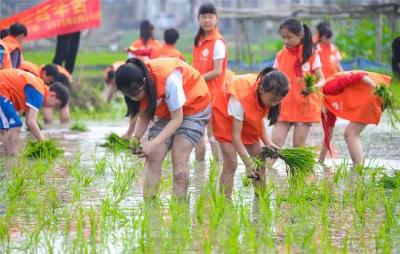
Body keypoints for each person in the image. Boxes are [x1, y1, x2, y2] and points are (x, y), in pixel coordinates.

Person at [115, 58, 210, 199]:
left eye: (135, 94)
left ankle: (180, 208)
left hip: (195, 105)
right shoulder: (134, 86)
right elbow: (144, 116)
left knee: (179, 156)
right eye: (128, 95)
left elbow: (177, 119)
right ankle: (149, 207)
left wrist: (152, 144)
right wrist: (136, 137)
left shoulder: (169, 80)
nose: (133, 98)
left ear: (144, 82)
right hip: (168, 111)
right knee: (153, 155)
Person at [212, 67, 289, 198]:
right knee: (231, 163)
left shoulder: (268, 97)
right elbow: (235, 137)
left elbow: (257, 119)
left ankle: (260, 200)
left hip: (243, 118)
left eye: (278, 101)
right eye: (272, 100)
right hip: (224, 117)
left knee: (259, 160)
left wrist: (268, 142)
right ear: (261, 90)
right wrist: (247, 163)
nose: (274, 104)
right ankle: (225, 202)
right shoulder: (241, 98)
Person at [271, 18, 325, 150]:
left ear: (300, 35)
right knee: (273, 146)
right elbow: (272, 77)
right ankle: (263, 170)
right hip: (284, 106)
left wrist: (313, 88)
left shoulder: (311, 55)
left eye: (289, 37)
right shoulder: (281, 55)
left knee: (298, 149)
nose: (285, 41)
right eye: (283, 37)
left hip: (304, 107)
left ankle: (300, 171)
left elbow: (322, 79)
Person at [318, 71, 391, 166]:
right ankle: (358, 168)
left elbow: (359, 76)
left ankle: (358, 169)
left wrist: (377, 89)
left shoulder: (328, 87)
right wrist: (320, 161)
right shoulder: (326, 103)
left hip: (372, 90)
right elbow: (328, 133)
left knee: (350, 133)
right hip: (369, 95)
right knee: (350, 133)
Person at [0, 69, 69, 155]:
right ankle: (11, 159)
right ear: (53, 95)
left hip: (3, 90)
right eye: (55, 105)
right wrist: (44, 143)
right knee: (15, 124)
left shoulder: (38, 88)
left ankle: (6, 158)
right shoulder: (39, 92)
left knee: (6, 128)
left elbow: (29, 122)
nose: (52, 108)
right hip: (1, 90)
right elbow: (31, 122)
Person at [192, 3, 228, 161]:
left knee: (212, 134)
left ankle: (217, 167)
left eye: (210, 17)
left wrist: (196, 79)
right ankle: (200, 173)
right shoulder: (199, 40)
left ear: (216, 19)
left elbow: (217, 71)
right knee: (197, 133)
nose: (207, 20)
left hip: (213, 95)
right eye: (204, 17)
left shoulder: (218, 42)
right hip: (198, 94)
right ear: (198, 19)